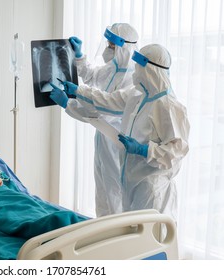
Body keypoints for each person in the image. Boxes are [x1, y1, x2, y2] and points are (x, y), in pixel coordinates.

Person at [50, 44, 190, 222]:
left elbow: (176, 152)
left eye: (139, 67)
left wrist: (144, 150)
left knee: (150, 241)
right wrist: (78, 91)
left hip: (153, 190)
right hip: (131, 181)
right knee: (129, 237)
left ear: (151, 70)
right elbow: (107, 101)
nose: (135, 72)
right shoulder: (138, 95)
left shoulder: (168, 106)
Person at [50, 23, 139, 217]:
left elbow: (102, 111)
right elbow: (93, 76)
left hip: (116, 143)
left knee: (115, 193)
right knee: (102, 192)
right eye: (107, 44)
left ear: (124, 47)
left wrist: (69, 103)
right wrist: (80, 56)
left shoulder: (133, 77)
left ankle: (119, 241)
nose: (108, 49)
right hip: (102, 141)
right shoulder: (115, 66)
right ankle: (103, 237)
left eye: (111, 46)